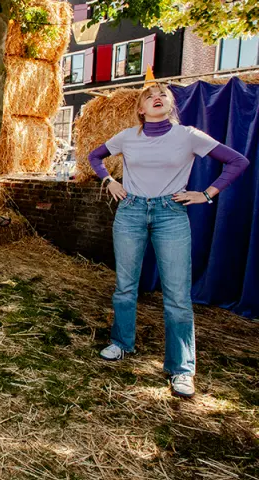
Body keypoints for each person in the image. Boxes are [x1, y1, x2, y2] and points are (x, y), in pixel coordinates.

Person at [89, 83, 249, 399]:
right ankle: (121, 343)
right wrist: (108, 180)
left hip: (170, 214)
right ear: (140, 109)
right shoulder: (127, 137)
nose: (156, 98)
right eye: (149, 96)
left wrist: (206, 194)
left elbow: (237, 161)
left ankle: (182, 369)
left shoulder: (188, 135)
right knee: (125, 286)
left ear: (171, 104)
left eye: (162, 94)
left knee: (176, 294)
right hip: (131, 211)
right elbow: (95, 156)